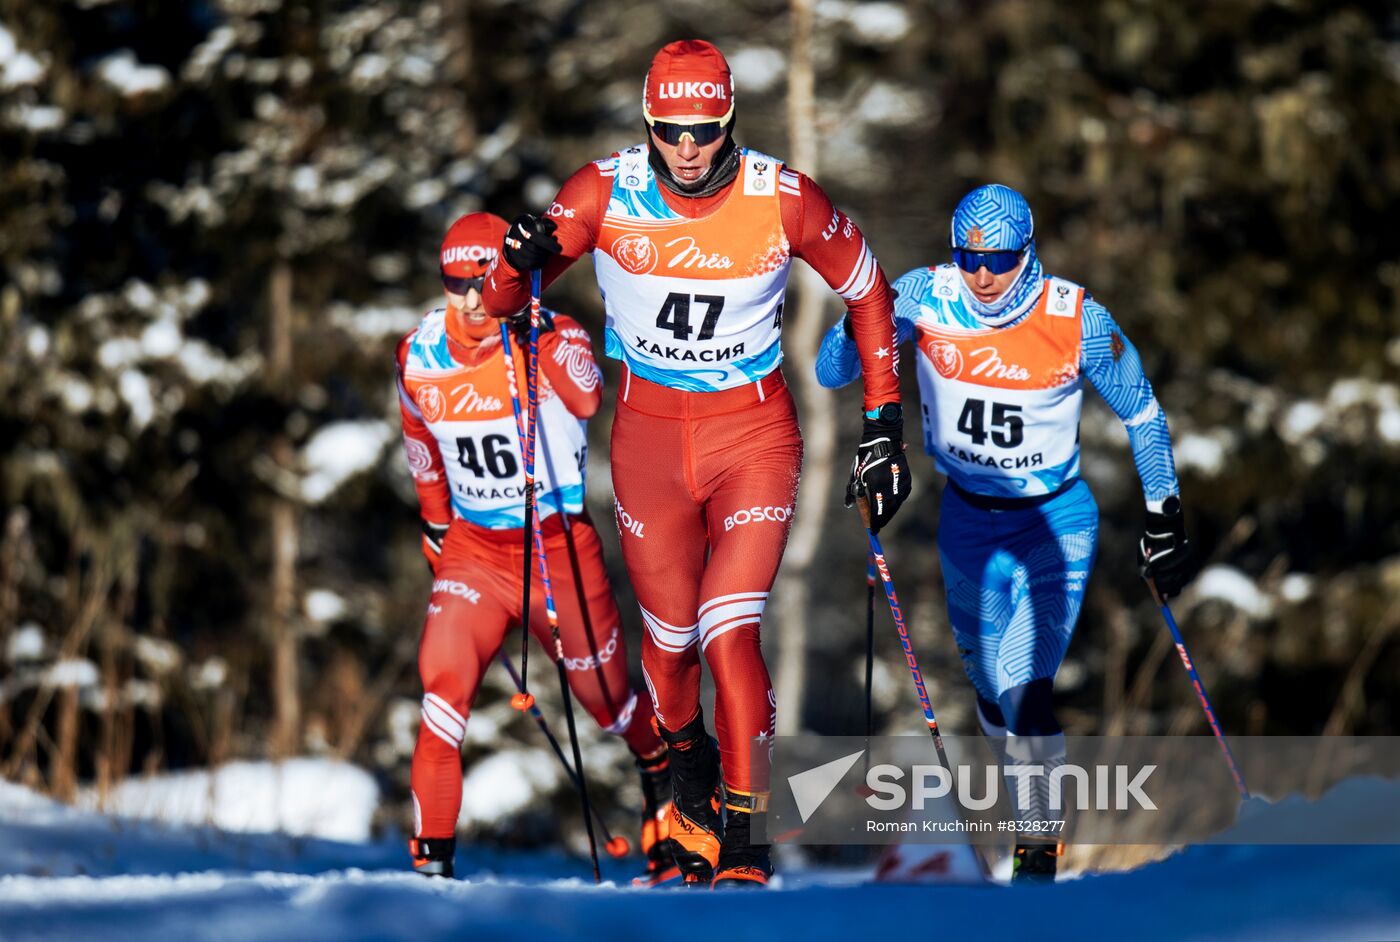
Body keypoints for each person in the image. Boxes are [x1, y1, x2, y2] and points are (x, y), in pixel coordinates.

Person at [482, 40, 911, 887]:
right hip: (648, 436)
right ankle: (690, 777)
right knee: (669, 650)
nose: (687, 147)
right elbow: (502, 303)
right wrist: (513, 261)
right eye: (670, 129)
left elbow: (868, 288)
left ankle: (748, 849)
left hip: (751, 434)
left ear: (729, 123)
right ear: (649, 122)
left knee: (727, 630)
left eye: (705, 129)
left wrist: (884, 422)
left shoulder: (781, 198)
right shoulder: (600, 191)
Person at [815, 184, 1198, 884]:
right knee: (992, 695)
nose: (984, 276)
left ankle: (1038, 847)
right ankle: (1028, 811)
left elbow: (1142, 412)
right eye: (969, 257)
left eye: (1000, 259)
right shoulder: (926, 297)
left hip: (1055, 520)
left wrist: (1164, 516)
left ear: (1028, 252)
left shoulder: (1074, 317)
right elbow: (830, 368)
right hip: (967, 522)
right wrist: (863, 321)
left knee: (1026, 689)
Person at [397, 212, 672, 881]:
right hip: (475, 552)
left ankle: (665, 776)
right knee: (442, 691)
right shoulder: (419, 354)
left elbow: (586, 397)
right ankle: (432, 867)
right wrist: (436, 524)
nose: (471, 300)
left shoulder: (550, 333)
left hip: (556, 549)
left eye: (484, 280)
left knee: (606, 704)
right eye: (456, 283)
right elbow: (421, 445)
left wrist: (535, 325)